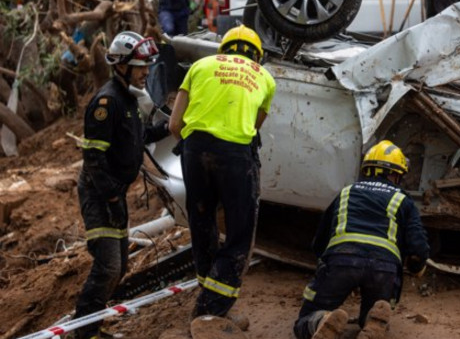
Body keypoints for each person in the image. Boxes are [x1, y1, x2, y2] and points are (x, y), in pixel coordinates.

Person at [169, 25, 276, 319]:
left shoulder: (200, 66)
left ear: (223, 49)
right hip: (236, 157)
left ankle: (207, 289)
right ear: (257, 56)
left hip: (195, 151)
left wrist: (194, 148)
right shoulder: (265, 77)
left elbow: (174, 125)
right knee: (240, 233)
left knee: (202, 222)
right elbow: (254, 128)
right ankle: (212, 309)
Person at [74, 31, 167, 339]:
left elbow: (140, 138)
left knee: (121, 266)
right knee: (109, 266)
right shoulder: (107, 101)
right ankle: (81, 333)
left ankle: (92, 326)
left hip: (114, 193)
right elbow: (93, 159)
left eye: (147, 65)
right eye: (140, 66)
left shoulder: (128, 99)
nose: (146, 71)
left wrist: (171, 125)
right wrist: (113, 200)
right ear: (122, 66)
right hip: (100, 193)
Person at [292, 140, 429, 339]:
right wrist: (417, 267)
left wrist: (326, 267)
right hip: (384, 268)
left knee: (305, 319)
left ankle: (320, 320)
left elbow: (320, 240)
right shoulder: (402, 199)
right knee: (374, 312)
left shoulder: (347, 192)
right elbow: (418, 247)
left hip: (342, 259)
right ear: (395, 174)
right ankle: (372, 325)